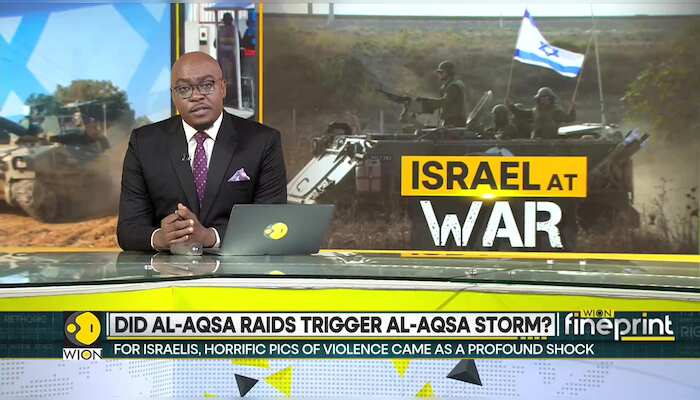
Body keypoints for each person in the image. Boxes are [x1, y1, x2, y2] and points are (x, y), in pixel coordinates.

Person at [117, 52, 287, 251]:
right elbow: (128, 229)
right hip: (167, 267)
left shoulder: (262, 141)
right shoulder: (144, 143)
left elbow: (272, 224)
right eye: (184, 89)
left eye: (207, 85)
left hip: (237, 266)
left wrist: (210, 237)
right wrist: (161, 238)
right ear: (173, 96)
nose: (196, 96)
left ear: (222, 88)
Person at [506, 87, 575, 139]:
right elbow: (521, 113)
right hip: (536, 139)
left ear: (550, 99)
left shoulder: (556, 111)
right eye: (542, 97)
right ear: (538, 99)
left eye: (546, 97)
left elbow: (569, 118)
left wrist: (572, 109)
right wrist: (510, 106)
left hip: (550, 141)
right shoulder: (535, 111)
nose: (544, 99)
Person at [417, 60, 467, 128]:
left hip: (455, 121)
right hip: (453, 120)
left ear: (448, 73)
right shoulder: (451, 84)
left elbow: (444, 101)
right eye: (439, 72)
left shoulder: (453, 86)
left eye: (441, 72)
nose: (439, 75)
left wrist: (426, 102)